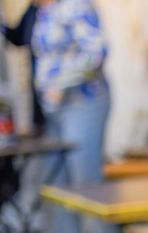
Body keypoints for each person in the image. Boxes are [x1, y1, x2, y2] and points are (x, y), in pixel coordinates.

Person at [25, 0, 113, 232]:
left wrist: (61, 85)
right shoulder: (44, 11)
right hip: (53, 112)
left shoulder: (75, 6)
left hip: (82, 104)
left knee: (87, 187)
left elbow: (96, 51)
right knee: (56, 189)